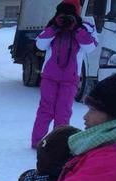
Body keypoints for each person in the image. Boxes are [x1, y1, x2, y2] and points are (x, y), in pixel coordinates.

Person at [30, 0, 97, 149]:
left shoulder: (85, 27)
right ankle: (37, 142)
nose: (66, 17)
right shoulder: (53, 25)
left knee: (63, 111)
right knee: (45, 110)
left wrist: (76, 29)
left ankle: (58, 144)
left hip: (70, 78)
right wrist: (54, 27)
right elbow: (40, 44)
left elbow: (90, 47)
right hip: (50, 76)